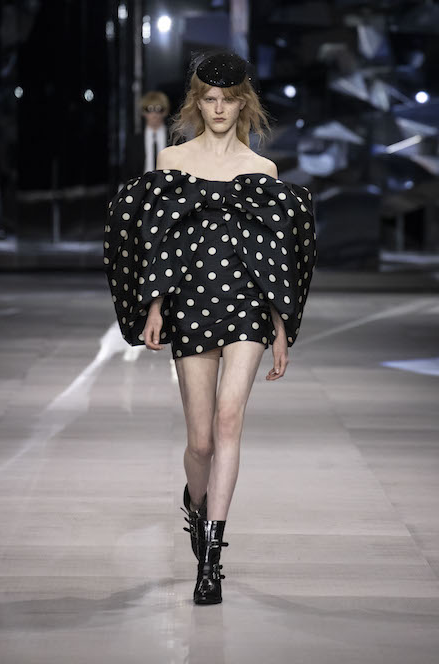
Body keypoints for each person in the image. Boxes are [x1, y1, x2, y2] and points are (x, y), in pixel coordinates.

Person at [103, 50, 317, 605]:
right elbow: (160, 241)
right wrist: (154, 306)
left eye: (228, 100)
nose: (219, 109)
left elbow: (277, 257)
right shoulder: (173, 160)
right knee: (199, 442)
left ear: (244, 104)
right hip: (192, 302)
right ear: (197, 104)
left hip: (247, 305)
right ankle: (195, 508)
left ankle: (212, 560)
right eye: (210, 99)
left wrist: (280, 327)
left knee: (228, 421)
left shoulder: (262, 170)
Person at [123, 90, 170, 181]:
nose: (154, 114)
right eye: (149, 109)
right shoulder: (133, 141)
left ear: (165, 111)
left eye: (159, 109)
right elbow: (127, 171)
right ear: (143, 112)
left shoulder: (175, 138)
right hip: (141, 186)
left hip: (169, 186)